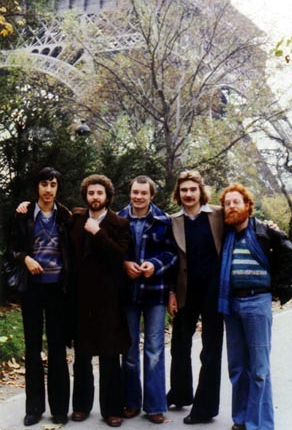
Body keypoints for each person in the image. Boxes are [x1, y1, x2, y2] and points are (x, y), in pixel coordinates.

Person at [218, 183, 292, 430]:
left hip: (257, 302)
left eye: (236, 202)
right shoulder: (225, 234)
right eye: (227, 203)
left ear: (247, 205)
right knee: (237, 367)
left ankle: (260, 424)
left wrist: (275, 286)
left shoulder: (265, 231)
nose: (232, 206)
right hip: (231, 303)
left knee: (259, 369)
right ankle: (241, 419)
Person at [7, 167, 71, 427]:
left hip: (57, 289)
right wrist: (25, 258)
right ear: (37, 187)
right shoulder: (23, 215)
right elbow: (11, 249)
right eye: (44, 184)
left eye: (53, 184)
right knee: (33, 348)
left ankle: (58, 409)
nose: (48, 189)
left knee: (57, 348)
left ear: (57, 188)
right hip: (32, 289)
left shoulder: (65, 216)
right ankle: (33, 408)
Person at [70, 174, 131, 427]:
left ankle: (111, 409)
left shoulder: (119, 223)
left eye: (100, 193)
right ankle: (82, 406)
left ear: (107, 196)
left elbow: (121, 255)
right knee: (82, 354)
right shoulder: (75, 219)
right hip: (81, 296)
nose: (95, 197)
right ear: (86, 195)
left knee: (109, 354)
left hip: (109, 297)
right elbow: (50, 208)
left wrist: (98, 233)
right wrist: (26, 205)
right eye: (91, 193)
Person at [118, 175, 177, 424]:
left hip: (155, 292)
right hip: (128, 293)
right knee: (129, 350)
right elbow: (111, 249)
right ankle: (131, 401)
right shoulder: (118, 219)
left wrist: (154, 265)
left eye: (143, 193)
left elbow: (173, 254)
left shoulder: (163, 220)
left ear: (151, 195)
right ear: (130, 193)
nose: (138, 197)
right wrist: (124, 264)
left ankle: (154, 405)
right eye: (135, 192)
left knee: (154, 350)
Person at [166, 170, 224, 424]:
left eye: (192, 189)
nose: (188, 194)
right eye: (183, 190)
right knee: (180, 346)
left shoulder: (219, 215)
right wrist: (170, 293)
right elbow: (169, 260)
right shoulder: (172, 221)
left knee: (210, 350)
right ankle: (180, 393)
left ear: (201, 191)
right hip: (184, 291)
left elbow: (248, 223)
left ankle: (205, 408)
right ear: (178, 194)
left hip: (214, 291)